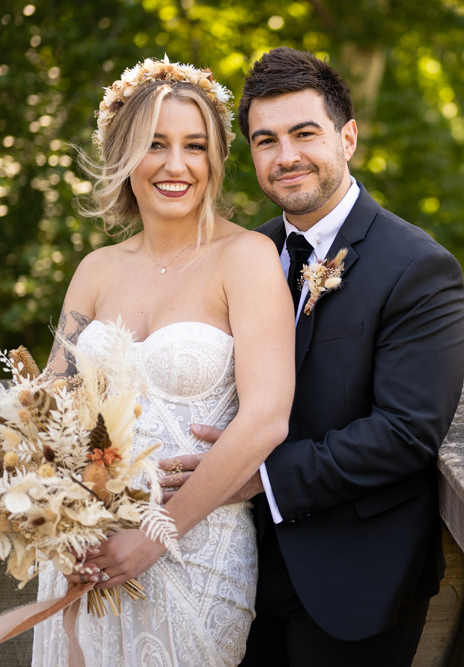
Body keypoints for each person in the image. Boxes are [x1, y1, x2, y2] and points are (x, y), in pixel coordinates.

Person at [164, 47, 464, 666]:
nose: (287, 156)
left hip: (354, 577)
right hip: (238, 567)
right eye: (266, 140)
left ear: (347, 136)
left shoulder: (416, 267)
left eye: (305, 134)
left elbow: (407, 433)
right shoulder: (250, 253)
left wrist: (257, 476)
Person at [31, 57, 295, 666]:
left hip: (195, 549)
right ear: (125, 156)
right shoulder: (95, 270)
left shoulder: (248, 258)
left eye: (194, 146)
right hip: (86, 549)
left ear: (215, 159)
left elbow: (266, 419)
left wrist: (155, 536)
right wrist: (58, 511)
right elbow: (50, 405)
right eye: (155, 145)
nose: (176, 165)